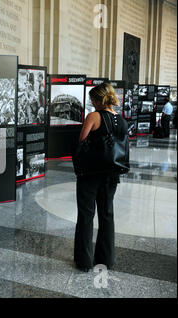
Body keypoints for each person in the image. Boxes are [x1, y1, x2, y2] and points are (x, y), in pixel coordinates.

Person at [74, 83, 129, 272]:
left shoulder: (93, 116)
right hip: (111, 174)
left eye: (92, 99)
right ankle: (106, 259)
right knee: (107, 215)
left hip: (90, 174)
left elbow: (82, 140)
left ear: (98, 99)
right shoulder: (121, 120)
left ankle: (84, 261)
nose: (91, 102)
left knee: (86, 215)